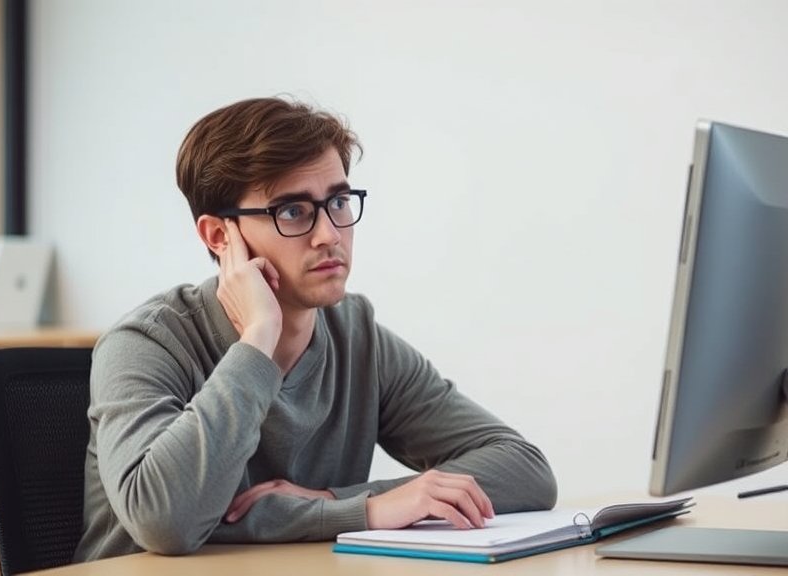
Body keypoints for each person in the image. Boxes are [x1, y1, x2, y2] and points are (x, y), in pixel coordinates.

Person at [73, 97, 557, 561]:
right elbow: (167, 520)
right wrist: (258, 337)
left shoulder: (356, 337)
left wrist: (333, 500)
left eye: (339, 202)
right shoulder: (146, 343)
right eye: (292, 211)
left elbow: (525, 471)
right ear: (220, 236)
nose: (329, 234)